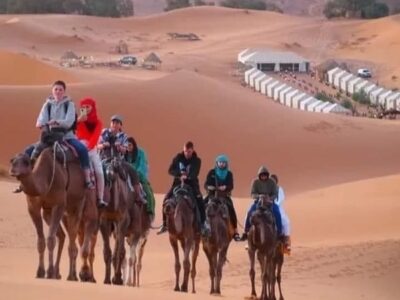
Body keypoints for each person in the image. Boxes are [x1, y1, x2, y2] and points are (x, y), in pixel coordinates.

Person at [14, 80, 93, 193]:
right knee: (28, 151)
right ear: (52, 91)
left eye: (60, 89)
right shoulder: (47, 105)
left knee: (82, 150)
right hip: (49, 137)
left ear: (64, 91)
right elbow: (40, 120)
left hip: (67, 137)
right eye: (56, 89)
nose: (58, 91)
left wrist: (56, 122)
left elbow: (69, 121)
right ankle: (24, 181)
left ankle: (87, 179)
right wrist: (43, 124)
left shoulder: (69, 104)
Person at [157, 141, 207, 235]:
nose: (187, 153)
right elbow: (170, 170)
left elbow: (195, 172)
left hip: (192, 184)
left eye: (189, 151)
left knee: (200, 200)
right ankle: (164, 224)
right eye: (185, 151)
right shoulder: (178, 158)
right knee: (166, 199)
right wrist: (179, 175)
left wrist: (188, 176)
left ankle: (203, 224)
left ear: (192, 150)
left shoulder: (197, 160)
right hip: (178, 183)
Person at [97, 115, 145, 204]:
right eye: (113, 122)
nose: (115, 125)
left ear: (120, 125)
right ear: (111, 124)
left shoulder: (123, 136)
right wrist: (103, 145)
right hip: (104, 159)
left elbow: (125, 150)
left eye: (117, 123)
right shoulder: (104, 133)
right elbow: (97, 146)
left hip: (118, 160)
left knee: (133, 171)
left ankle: (138, 195)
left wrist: (119, 146)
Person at [76, 97, 107, 207]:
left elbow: (95, 136)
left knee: (99, 172)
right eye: (83, 107)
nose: (85, 109)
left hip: (92, 149)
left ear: (92, 107)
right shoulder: (78, 120)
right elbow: (72, 130)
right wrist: (79, 120)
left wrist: (89, 147)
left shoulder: (98, 123)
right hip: (78, 146)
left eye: (87, 107)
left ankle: (100, 198)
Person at [204, 154, 241, 241]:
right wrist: (209, 187)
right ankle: (199, 228)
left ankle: (235, 231)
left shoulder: (229, 174)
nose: (221, 164)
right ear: (217, 163)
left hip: (224, 196)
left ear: (226, 164)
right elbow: (206, 184)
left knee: (231, 209)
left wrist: (225, 187)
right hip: (212, 195)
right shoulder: (211, 172)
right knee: (202, 206)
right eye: (220, 162)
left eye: (223, 163)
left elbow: (231, 186)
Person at [241, 166, 283, 241]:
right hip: (258, 203)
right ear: (259, 175)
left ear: (267, 175)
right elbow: (252, 194)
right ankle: (246, 231)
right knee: (250, 212)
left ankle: (279, 233)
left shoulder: (272, 182)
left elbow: (275, 194)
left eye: (265, 175)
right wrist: (259, 196)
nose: (263, 177)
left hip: (269, 203)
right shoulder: (255, 182)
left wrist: (270, 198)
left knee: (277, 212)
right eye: (262, 175)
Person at [125, 137, 155, 217]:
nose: (128, 147)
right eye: (126, 145)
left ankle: (150, 211)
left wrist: (135, 172)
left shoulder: (141, 153)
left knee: (147, 191)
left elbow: (142, 166)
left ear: (133, 145)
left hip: (139, 176)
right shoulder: (125, 154)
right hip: (126, 176)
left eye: (130, 145)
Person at [270, 174, 291, 254]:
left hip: (277, 207)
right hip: (266, 206)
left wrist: (274, 203)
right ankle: (249, 238)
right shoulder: (265, 188)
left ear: (276, 182)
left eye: (273, 181)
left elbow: (280, 199)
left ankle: (286, 241)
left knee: (285, 221)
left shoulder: (279, 189)